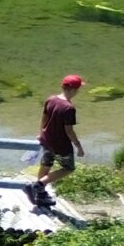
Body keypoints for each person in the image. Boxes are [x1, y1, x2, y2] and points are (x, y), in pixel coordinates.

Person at [33, 74, 84, 207]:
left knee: (46, 165)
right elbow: (69, 130)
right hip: (61, 144)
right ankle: (39, 184)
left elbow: (43, 118)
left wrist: (41, 133)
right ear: (73, 90)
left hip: (47, 140)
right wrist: (78, 146)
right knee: (68, 168)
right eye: (78, 89)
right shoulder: (69, 108)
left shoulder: (51, 99)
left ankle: (40, 195)